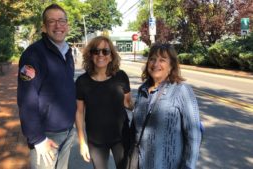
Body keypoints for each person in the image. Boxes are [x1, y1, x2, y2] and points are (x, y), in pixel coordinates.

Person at [17, 3, 76, 169]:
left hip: (67, 132)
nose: (58, 25)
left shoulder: (67, 52)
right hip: (46, 136)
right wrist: (37, 139)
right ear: (44, 27)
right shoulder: (33, 55)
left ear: (67, 25)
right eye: (51, 21)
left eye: (62, 21)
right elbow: (26, 100)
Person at [131, 43, 202, 169]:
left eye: (162, 60)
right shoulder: (143, 90)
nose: (155, 64)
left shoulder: (181, 90)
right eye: (152, 59)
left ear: (171, 66)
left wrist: (188, 167)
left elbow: (194, 135)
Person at [75, 36, 133, 169]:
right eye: (96, 51)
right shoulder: (82, 82)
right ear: (90, 55)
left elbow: (128, 103)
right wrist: (82, 142)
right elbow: (79, 112)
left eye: (105, 51)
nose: (101, 55)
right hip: (96, 141)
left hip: (121, 137)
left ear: (111, 56)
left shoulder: (121, 76)